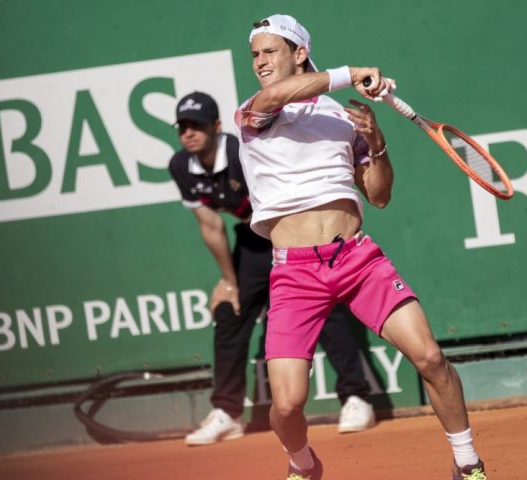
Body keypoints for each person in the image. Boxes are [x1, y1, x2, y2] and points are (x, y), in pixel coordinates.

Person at [234, 14, 487, 480]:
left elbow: (379, 195)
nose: (260, 62)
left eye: (270, 51)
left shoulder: (342, 117)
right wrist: (352, 73)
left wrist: (377, 141)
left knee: (431, 357)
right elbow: (275, 96)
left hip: (355, 259)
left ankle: (468, 461)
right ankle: (303, 464)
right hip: (293, 273)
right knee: (287, 405)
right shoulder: (254, 112)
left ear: (300, 54)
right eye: (255, 54)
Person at [168, 91, 377, 446]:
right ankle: (227, 413)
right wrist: (229, 282)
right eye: (183, 127)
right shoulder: (180, 166)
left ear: (216, 127)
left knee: (326, 308)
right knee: (230, 312)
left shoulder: (241, 151)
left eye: (197, 126)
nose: (189, 133)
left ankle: (356, 398)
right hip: (253, 242)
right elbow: (211, 225)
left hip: (293, 232)